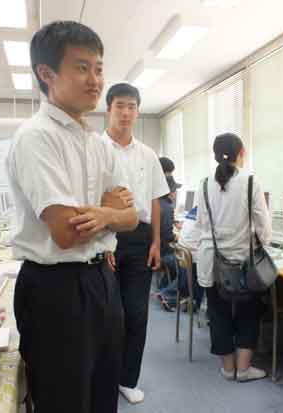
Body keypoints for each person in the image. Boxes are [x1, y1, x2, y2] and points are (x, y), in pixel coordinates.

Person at [7, 21, 138, 413]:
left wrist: (103, 213)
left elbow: (132, 217)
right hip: (56, 289)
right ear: (46, 74)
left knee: (103, 396)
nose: (95, 80)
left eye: (98, 68)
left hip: (102, 281)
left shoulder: (97, 144)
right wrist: (109, 211)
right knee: (64, 401)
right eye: (82, 68)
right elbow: (66, 232)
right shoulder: (36, 137)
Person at [102, 82, 169, 404]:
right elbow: (89, 200)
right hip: (105, 239)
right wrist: (103, 242)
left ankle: (128, 379)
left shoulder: (147, 154)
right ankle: (104, 378)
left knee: (137, 314)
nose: (126, 113)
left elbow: (155, 200)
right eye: (120, 106)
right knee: (107, 316)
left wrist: (156, 242)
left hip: (140, 239)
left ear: (138, 112)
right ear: (109, 109)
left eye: (131, 107)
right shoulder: (95, 149)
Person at [195, 132, 272, 382]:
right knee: (249, 312)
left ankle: (228, 369)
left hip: (211, 262)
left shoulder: (204, 184)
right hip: (243, 262)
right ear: (241, 153)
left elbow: (201, 223)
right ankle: (244, 369)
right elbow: (263, 225)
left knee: (218, 314)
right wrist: (263, 243)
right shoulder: (250, 181)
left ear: (215, 156)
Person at [156, 205, 204, 311]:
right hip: (190, 255)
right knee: (204, 272)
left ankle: (167, 292)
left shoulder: (196, 209)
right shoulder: (208, 213)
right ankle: (172, 296)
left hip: (181, 252)